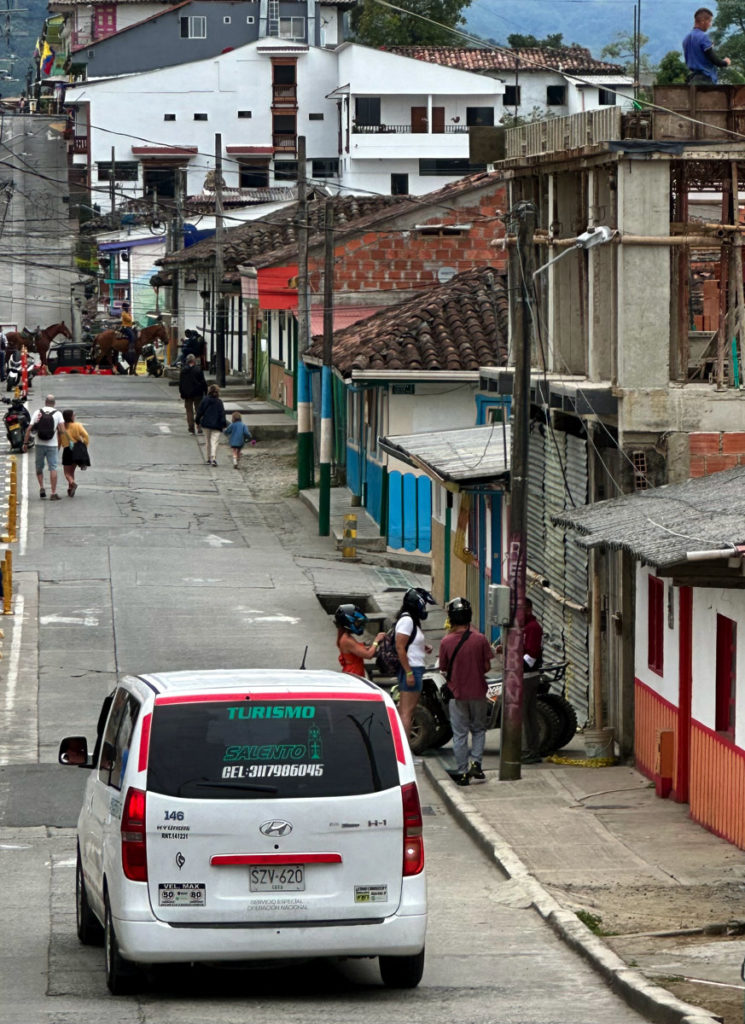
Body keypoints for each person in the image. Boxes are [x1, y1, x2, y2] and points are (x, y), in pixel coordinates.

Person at [438, 597, 493, 787]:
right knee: (478, 729)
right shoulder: (481, 639)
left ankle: (462, 772)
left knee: (460, 734)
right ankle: (476, 763)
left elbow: (443, 668)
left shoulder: (445, 642)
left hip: (456, 694)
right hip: (478, 692)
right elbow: (487, 666)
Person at [394, 587, 435, 744]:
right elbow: (400, 647)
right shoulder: (407, 621)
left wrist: (423, 646)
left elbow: (408, 644)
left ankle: (402, 746)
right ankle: (405, 749)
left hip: (413, 668)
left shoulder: (410, 620)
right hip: (411, 670)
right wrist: (409, 673)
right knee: (407, 712)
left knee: (405, 711)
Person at [22, 393, 64, 499]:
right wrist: (62, 443)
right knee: (53, 468)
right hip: (52, 445)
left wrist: (25, 443)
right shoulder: (58, 414)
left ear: (45, 402)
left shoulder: (37, 412)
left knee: (39, 467)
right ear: (54, 403)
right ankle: (53, 493)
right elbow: (62, 431)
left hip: (39, 444)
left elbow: (28, 429)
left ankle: (41, 487)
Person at [522, 598, 545, 764]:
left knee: (525, 715)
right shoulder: (524, 627)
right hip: (524, 676)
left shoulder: (533, 628)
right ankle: (532, 748)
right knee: (528, 714)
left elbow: (531, 656)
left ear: (528, 609)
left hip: (527, 677)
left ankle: (531, 749)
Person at [334, 604, 385, 677]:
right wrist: (376, 640)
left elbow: (359, 652)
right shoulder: (346, 640)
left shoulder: (346, 636)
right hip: (354, 673)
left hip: (355, 671)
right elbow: (368, 655)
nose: (360, 626)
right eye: (357, 623)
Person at [683, 8, 731, 84]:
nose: (710, 24)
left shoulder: (686, 39)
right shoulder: (703, 37)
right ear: (703, 21)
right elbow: (714, 59)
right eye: (709, 21)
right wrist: (725, 62)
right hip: (705, 80)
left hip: (692, 80)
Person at [195, 383, 227, 466]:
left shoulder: (205, 400)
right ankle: (214, 458)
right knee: (215, 441)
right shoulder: (219, 402)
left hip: (206, 424)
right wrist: (224, 424)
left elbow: (199, 412)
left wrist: (197, 421)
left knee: (208, 441)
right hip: (217, 424)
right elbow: (222, 414)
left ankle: (208, 458)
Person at [60, 409, 89, 498]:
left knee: (66, 473)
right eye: (74, 415)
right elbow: (86, 435)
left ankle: (72, 483)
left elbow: (59, 439)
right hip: (76, 450)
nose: (75, 416)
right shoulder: (77, 425)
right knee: (72, 471)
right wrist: (84, 445)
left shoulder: (61, 427)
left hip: (67, 450)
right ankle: (70, 488)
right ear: (71, 417)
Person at [178, 354, 207, 434]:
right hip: (198, 393)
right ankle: (199, 427)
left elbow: (181, 383)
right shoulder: (198, 370)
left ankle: (191, 427)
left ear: (187, 361)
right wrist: (205, 391)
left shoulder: (183, 371)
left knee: (189, 411)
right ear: (194, 361)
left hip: (187, 394)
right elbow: (203, 382)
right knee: (198, 410)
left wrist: (181, 392)